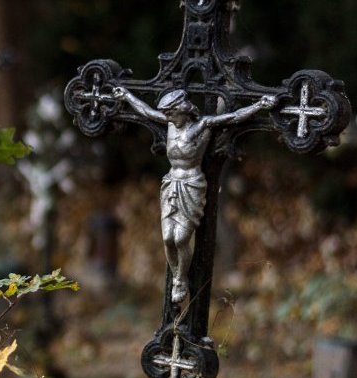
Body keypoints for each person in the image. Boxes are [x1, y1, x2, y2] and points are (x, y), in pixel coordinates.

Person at [112, 87, 276, 303]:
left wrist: (260, 105)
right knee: (167, 238)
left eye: (171, 113)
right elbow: (147, 112)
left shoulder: (202, 126)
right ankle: (177, 276)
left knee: (181, 238)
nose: (168, 117)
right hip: (171, 184)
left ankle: (181, 277)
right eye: (167, 114)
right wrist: (126, 96)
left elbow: (233, 117)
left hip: (191, 184)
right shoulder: (170, 124)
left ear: (183, 110)